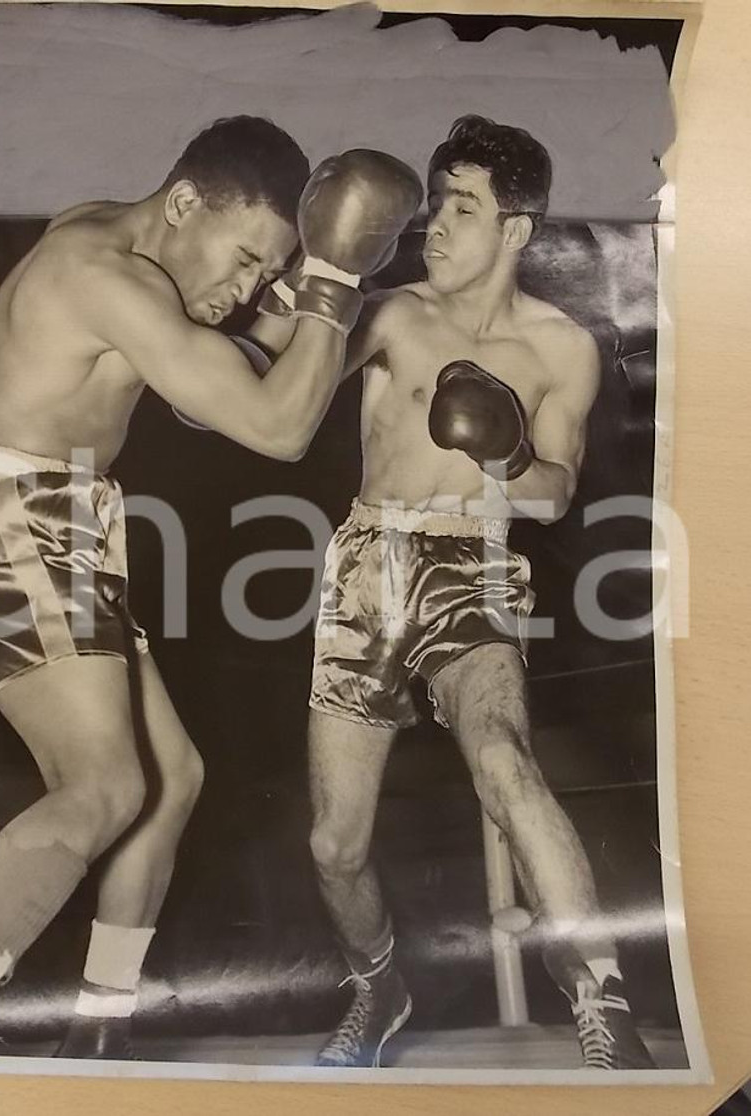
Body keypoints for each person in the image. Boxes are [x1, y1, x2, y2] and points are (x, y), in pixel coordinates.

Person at [0, 115, 422, 1059]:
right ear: (181, 203)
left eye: (264, 270)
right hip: (15, 521)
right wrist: (333, 282)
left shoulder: (124, 244)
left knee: (172, 784)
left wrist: (294, 290)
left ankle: (99, 1028)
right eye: (245, 257)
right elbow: (275, 427)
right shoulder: (101, 275)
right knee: (103, 786)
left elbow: (204, 380)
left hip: (57, 525)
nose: (246, 286)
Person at [254, 115, 656, 1071]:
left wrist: (506, 451)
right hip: (366, 565)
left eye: (462, 207)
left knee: (507, 761)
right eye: (435, 203)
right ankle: (380, 987)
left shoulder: (563, 348)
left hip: (472, 563)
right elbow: (282, 370)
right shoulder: (391, 313)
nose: (436, 224)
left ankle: (602, 1001)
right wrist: (315, 272)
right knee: (333, 847)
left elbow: (554, 492)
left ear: (516, 229)